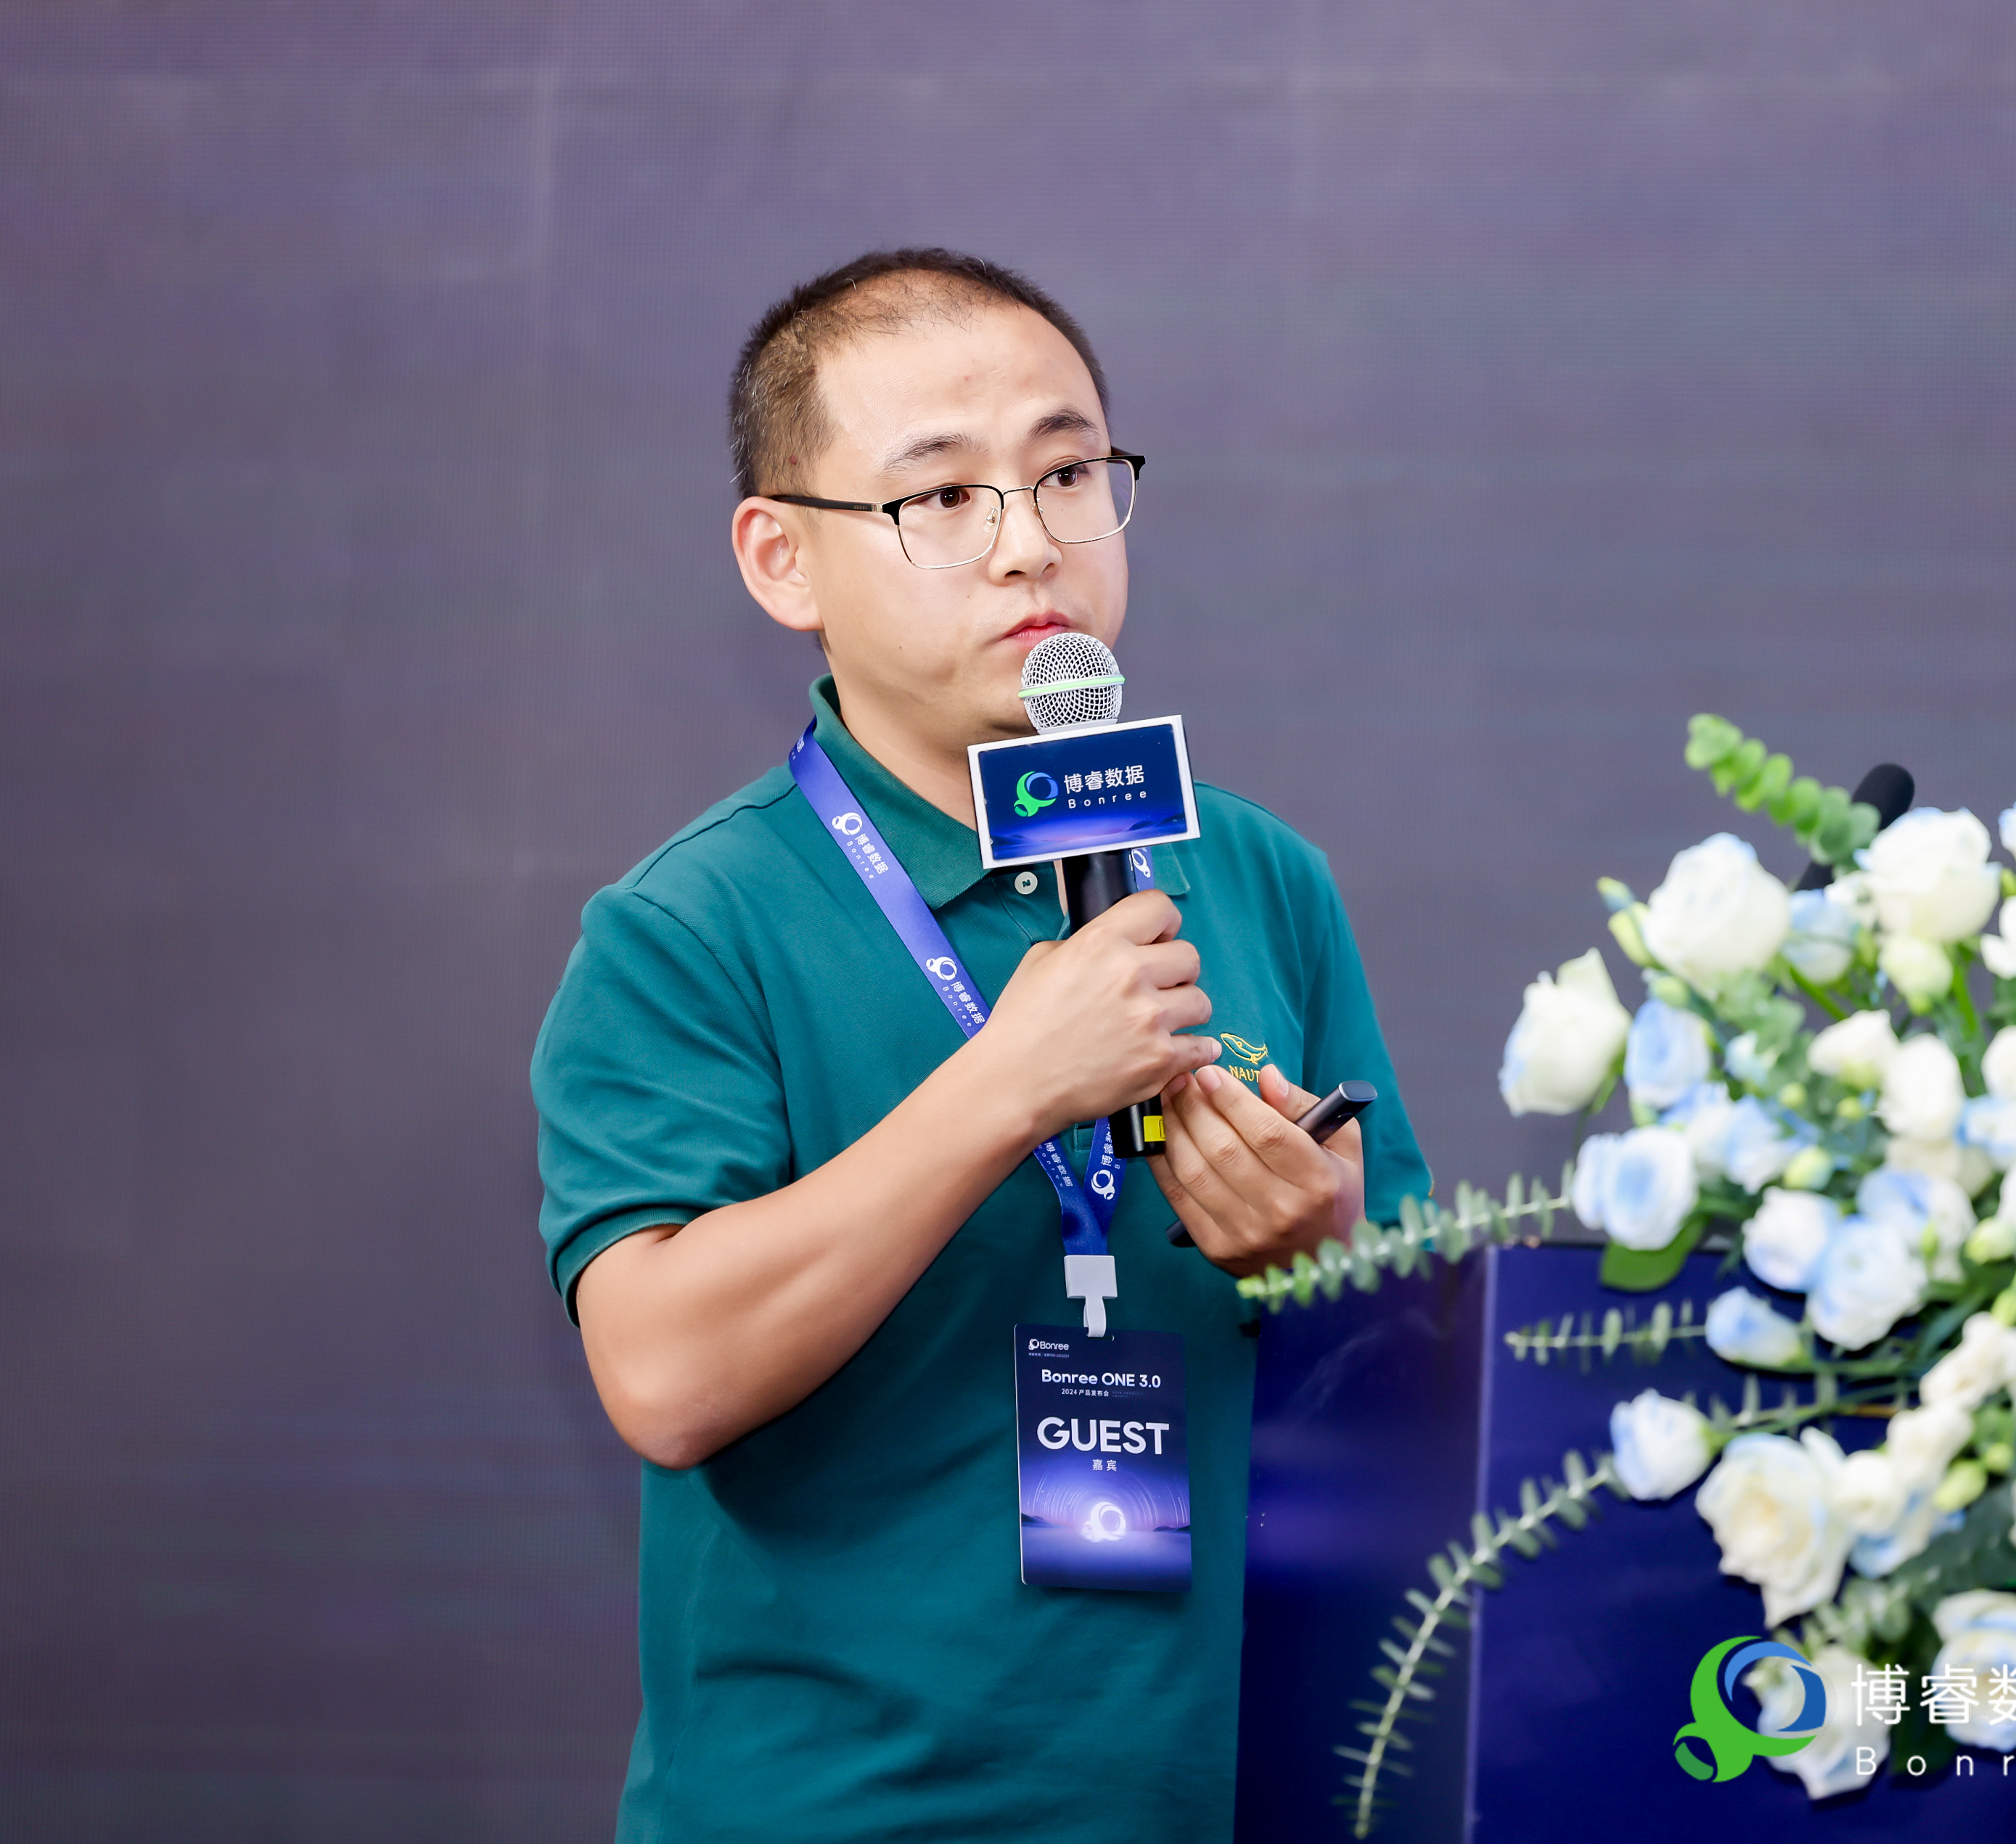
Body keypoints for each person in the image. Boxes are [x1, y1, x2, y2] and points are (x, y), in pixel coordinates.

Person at [530, 247, 1428, 1843]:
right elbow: (662, 1375)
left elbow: (1421, 1369)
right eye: (942, 497)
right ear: (783, 559)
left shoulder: (1255, 871)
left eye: (1069, 474)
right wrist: (1008, 1085)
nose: (1031, 544)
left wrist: (1327, 1249)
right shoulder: (690, 923)